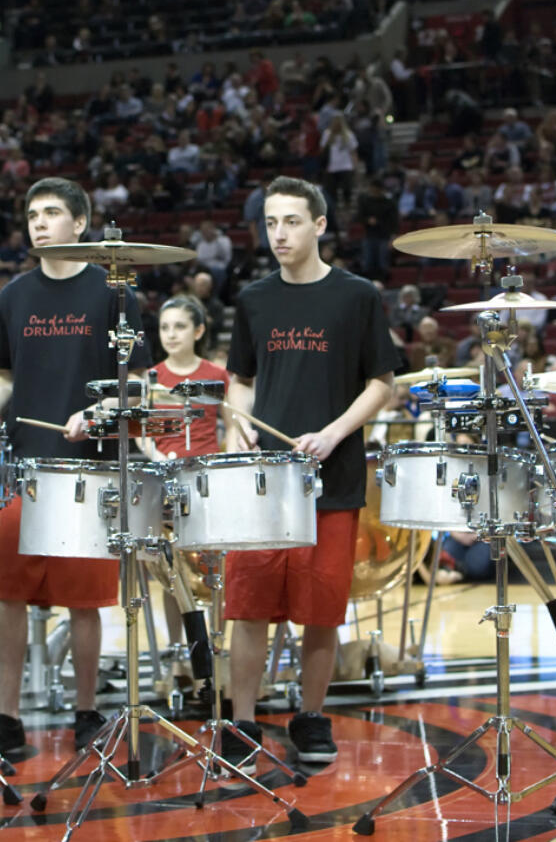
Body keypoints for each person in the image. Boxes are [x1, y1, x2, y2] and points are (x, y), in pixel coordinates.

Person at [220, 176, 398, 770]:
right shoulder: (253, 300)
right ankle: (241, 722)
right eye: (271, 223)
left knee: (321, 610)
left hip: (334, 474)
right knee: (247, 607)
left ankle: (311, 714)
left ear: (320, 225)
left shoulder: (357, 296)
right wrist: (237, 426)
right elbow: (240, 381)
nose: (279, 234)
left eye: (291, 221)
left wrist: (334, 433)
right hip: (262, 480)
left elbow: (382, 383)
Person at [0, 177, 148, 756]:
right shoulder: (13, 297)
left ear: (80, 223)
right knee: (10, 597)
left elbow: (139, 384)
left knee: (85, 602)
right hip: (25, 467)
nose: (39, 223)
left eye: (52, 213)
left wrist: (97, 410)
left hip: (90, 470)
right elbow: (2, 373)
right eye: (32, 214)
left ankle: (86, 713)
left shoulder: (115, 295)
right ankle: (7, 718)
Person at [140, 295, 233, 650]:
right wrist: (157, 456)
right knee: (170, 569)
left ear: (199, 330)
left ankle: (217, 646)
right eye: (165, 327)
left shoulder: (216, 375)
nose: (171, 334)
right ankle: (178, 649)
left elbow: (231, 427)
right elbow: (143, 435)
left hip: (207, 481)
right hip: (165, 481)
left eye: (179, 327)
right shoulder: (152, 378)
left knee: (214, 569)